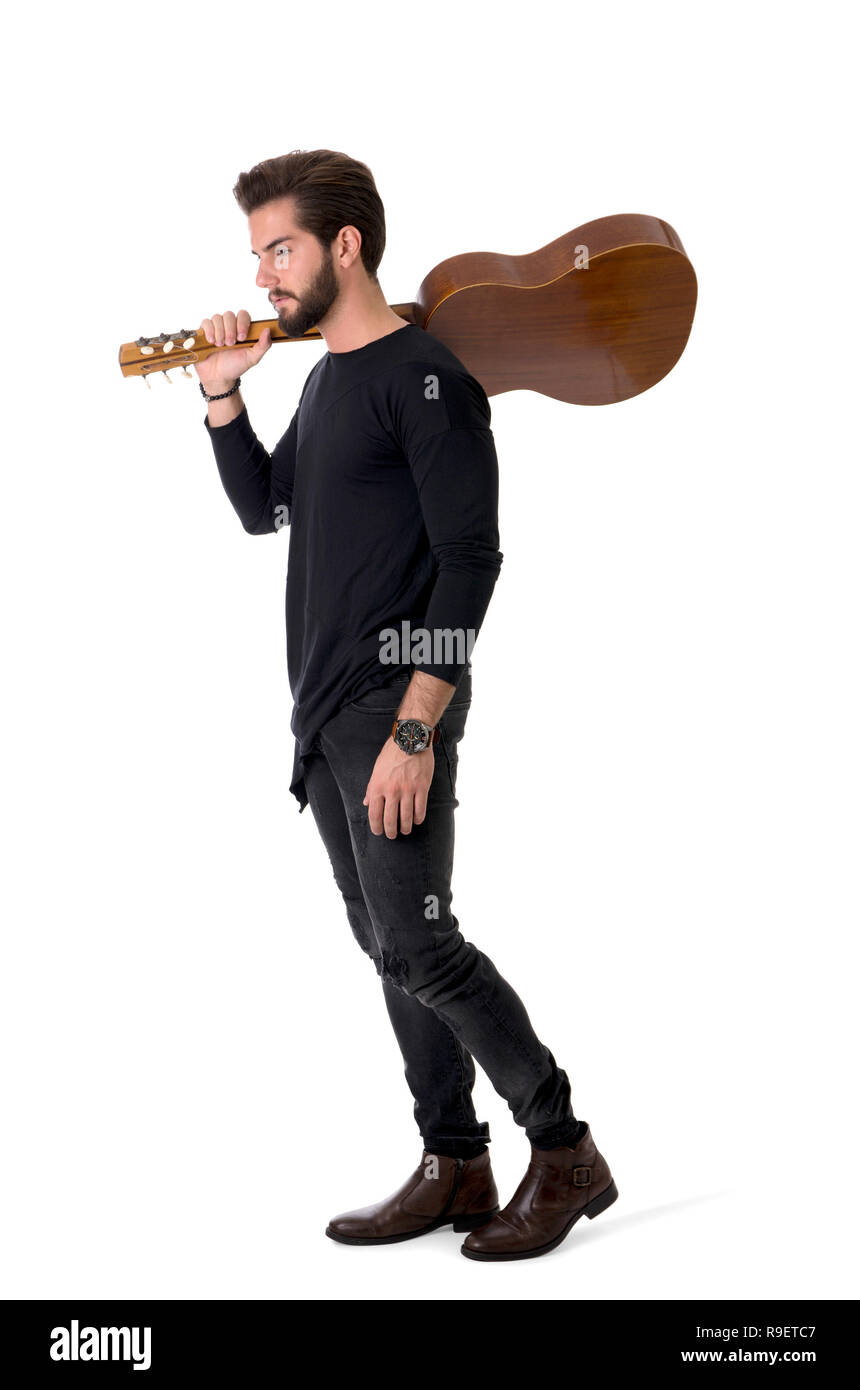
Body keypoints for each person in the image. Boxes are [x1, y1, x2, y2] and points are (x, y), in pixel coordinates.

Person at [198, 148, 617, 1260]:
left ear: (345, 246)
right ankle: (454, 1161)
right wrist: (223, 394)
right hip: (326, 712)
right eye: (255, 256)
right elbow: (261, 510)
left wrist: (417, 727)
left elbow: (470, 563)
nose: (263, 277)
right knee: (384, 942)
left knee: (425, 947)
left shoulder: (426, 378)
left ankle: (563, 1146)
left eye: (278, 249)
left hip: (397, 705)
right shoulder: (334, 379)